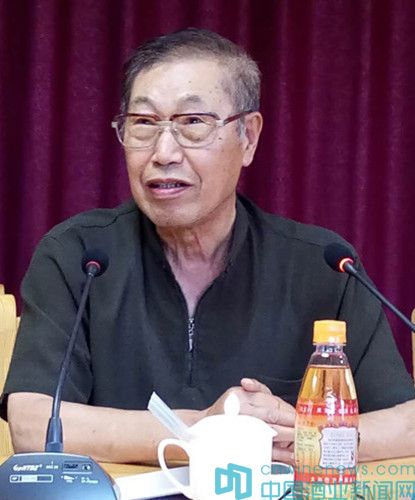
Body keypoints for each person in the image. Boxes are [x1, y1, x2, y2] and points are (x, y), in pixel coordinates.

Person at [2, 28, 414, 466]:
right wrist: (204, 431)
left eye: (192, 123)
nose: (163, 152)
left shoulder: (323, 265)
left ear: (248, 137)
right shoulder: (79, 257)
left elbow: (406, 423)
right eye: (143, 124)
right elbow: (32, 425)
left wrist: (306, 440)